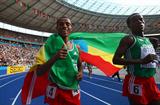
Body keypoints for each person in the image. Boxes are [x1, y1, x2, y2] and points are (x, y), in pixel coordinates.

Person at [112, 13, 160, 105]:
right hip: (136, 80)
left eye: (141, 19)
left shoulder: (149, 41)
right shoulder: (129, 39)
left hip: (150, 80)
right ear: (129, 25)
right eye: (135, 20)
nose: (140, 22)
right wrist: (141, 61)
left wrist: (154, 47)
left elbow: (148, 57)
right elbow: (116, 59)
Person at [36, 17, 83, 105]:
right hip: (56, 90)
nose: (65, 26)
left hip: (73, 90)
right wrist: (55, 57)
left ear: (71, 28)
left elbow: (80, 65)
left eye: (67, 24)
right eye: (61, 24)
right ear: (57, 28)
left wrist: (80, 72)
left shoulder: (76, 48)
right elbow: (39, 72)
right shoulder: (47, 47)